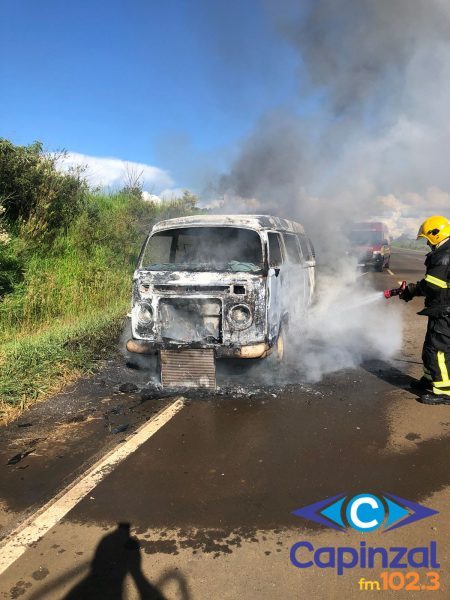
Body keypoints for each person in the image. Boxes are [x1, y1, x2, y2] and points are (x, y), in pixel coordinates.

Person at [400, 215, 450, 405]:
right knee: (431, 346)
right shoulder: (445, 251)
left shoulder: (444, 255)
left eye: (428, 239)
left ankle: (444, 391)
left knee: (439, 350)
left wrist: (412, 290)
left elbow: (432, 285)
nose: (427, 244)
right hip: (440, 309)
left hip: (445, 310)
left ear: (436, 235)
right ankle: (430, 379)